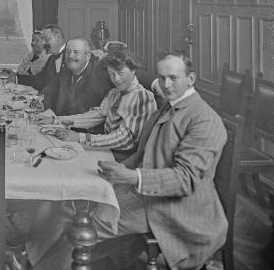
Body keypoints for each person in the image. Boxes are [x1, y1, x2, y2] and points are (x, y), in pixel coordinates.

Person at [27, 53, 228, 270]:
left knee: (86, 221)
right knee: (78, 202)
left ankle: (39, 266)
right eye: (162, 78)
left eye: (173, 78)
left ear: (191, 79)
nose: (166, 85)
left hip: (179, 208)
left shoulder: (204, 119)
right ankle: (39, 261)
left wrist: (131, 176)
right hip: (152, 194)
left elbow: (186, 179)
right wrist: (116, 172)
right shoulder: (168, 108)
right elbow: (142, 156)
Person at [46, 51, 157, 161]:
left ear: (133, 71)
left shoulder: (142, 97)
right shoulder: (115, 93)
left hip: (125, 159)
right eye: (111, 74)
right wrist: (55, 120)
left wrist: (80, 137)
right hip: (109, 150)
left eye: (120, 73)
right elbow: (95, 116)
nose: (116, 79)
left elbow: (125, 140)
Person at [39, 37, 113, 116]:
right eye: (68, 52)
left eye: (76, 52)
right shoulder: (65, 72)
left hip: (84, 125)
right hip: (60, 124)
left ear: (88, 56)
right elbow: (48, 93)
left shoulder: (98, 77)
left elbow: (92, 114)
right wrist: (47, 111)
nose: (70, 56)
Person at [16, 24, 67, 92]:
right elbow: (39, 80)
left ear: (58, 37)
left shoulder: (71, 56)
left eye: (47, 39)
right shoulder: (51, 59)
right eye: (43, 39)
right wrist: (16, 78)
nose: (44, 43)